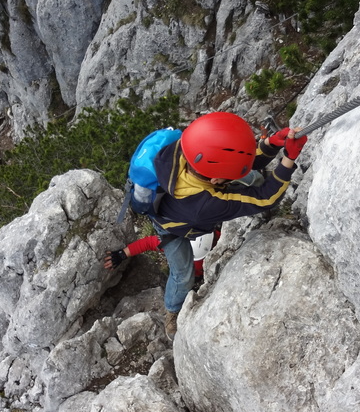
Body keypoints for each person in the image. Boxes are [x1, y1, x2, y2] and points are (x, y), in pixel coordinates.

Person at [112, 112, 307, 341]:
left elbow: (235, 160)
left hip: (180, 199)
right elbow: (265, 199)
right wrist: (289, 159)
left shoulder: (189, 149)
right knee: (183, 275)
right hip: (172, 228)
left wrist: (272, 144)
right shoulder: (205, 205)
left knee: (249, 176)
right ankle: (172, 312)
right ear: (215, 180)